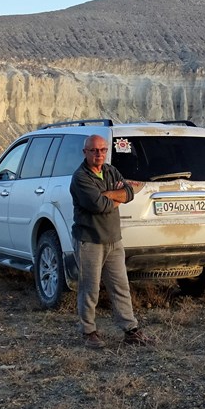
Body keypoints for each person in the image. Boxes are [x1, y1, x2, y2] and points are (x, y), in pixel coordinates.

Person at [70, 134, 154, 349]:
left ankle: (130, 330)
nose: (99, 154)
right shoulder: (80, 177)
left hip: (114, 240)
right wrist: (114, 199)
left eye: (102, 150)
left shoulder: (111, 171)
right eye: (94, 150)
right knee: (90, 289)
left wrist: (109, 195)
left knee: (120, 286)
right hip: (90, 241)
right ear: (85, 152)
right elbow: (99, 206)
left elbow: (129, 192)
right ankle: (88, 331)